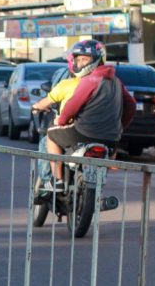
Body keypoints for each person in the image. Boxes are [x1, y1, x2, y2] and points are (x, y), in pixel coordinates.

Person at [35, 40, 135, 185]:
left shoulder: (90, 80)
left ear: (97, 60)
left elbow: (73, 105)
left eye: (85, 59)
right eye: (79, 59)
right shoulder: (116, 81)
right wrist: (121, 127)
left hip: (84, 132)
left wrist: (61, 121)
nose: (81, 63)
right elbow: (131, 105)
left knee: (51, 134)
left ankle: (57, 180)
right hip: (111, 138)